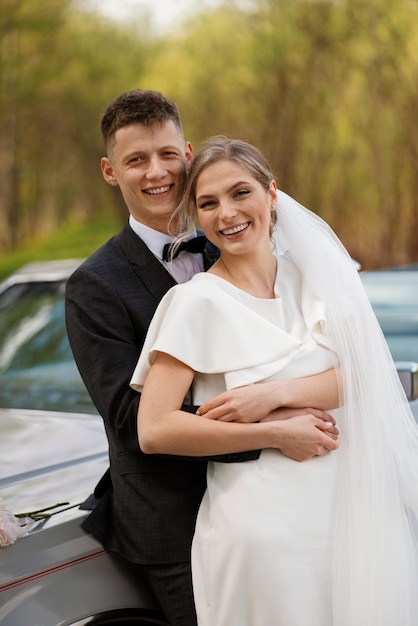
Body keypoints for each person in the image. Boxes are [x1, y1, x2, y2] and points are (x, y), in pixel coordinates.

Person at [65, 91, 338, 626]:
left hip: (291, 501)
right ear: (109, 171)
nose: (156, 172)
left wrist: (282, 401)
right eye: (136, 160)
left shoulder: (237, 239)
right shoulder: (94, 286)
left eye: (167, 154)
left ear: (188, 154)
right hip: (175, 521)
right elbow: (131, 422)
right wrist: (276, 429)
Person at [131, 136, 418, 625]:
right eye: (208, 203)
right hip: (264, 536)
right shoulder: (194, 303)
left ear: (272, 194)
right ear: (197, 216)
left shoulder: (319, 278)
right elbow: (154, 429)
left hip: (353, 516)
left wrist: (272, 395)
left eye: (241, 193)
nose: (227, 213)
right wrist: (274, 431)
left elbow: (366, 375)